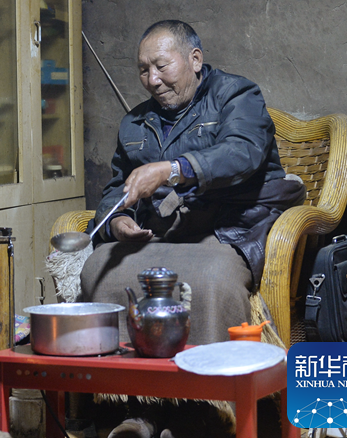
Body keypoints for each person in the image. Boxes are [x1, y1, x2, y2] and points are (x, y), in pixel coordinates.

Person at [80, 20, 305, 347]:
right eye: (143, 70)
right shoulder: (134, 123)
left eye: (161, 67)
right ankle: (130, 376)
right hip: (162, 233)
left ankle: (207, 377)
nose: (152, 80)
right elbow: (117, 187)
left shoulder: (237, 95)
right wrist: (117, 221)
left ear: (195, 59)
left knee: (212, 280)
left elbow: (242, 152)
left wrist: (172, 169)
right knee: (99, 269)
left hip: (229, 228)